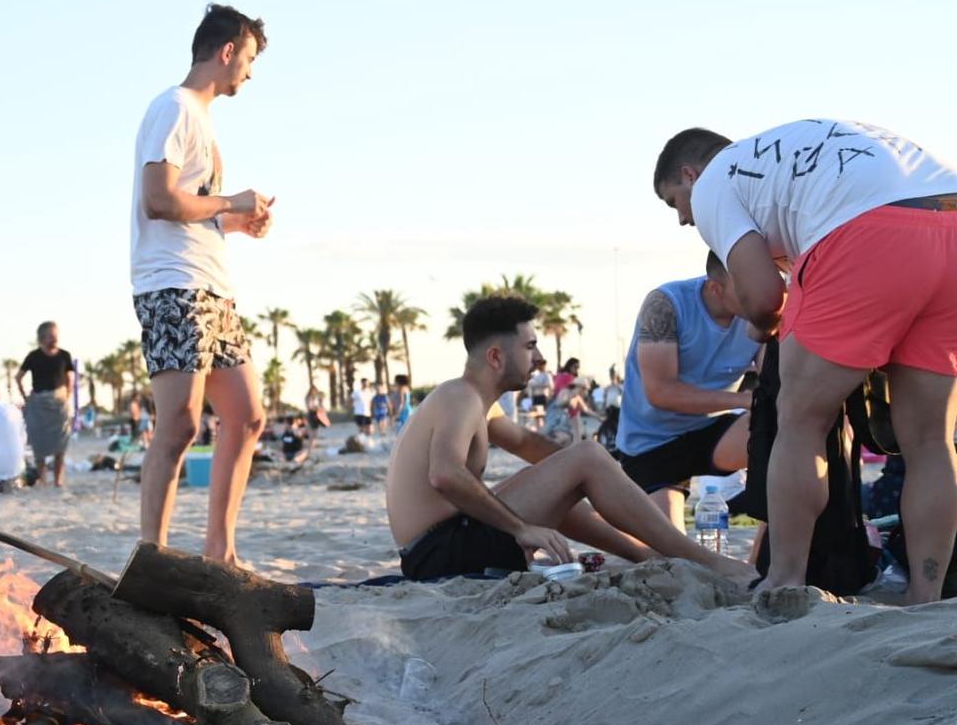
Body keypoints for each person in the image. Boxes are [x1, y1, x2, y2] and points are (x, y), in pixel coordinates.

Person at [655, 121, 957, 605]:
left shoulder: (715, 181)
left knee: (799, 421)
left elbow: (761, 297)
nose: (683, 220)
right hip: (950, 217)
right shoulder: (779, 158)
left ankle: (785, 580)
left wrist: (762, 327)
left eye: (674, 202)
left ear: (689, 175)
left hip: (867, 230)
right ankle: (927, 597)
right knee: (931, 441)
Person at [386, 295, 754, 585]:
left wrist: (607, 469)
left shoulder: (478, 404)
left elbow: (535, 449)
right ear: (496, 356)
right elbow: (444, 474)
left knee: (575, 471)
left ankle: (651, 555)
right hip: (440, 552)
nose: (541, 358)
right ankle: (705, 560)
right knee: (586, 458)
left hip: (440, 549)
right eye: (530, 346)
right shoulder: (461, 397)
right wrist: (521, 528)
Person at [132, 4, 275, 564]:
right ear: (227, 51)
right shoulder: (173, 107)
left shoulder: (200, 119)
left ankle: (221, 553)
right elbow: (159, 200)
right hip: (173, 285)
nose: (250, 73)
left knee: (247, 415)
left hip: (211, 285)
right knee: (181, 424)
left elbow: (190, 208)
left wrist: (237, 220)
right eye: (250, 59)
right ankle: (153, 557)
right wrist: (230, 199)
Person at [615, 254, 760, 528]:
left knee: (783, 431)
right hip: (651, 445)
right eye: (747, 289)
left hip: (711, 433)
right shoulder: (665, 304)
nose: (759, 296)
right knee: (673, 555)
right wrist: (744, 400)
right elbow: (661, 393)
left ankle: (762, 562)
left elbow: (779, 386)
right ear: (715, 288)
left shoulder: (762, 314)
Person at [17, 322, 78, 487]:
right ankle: (43, 480)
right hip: (38, 404)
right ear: (42, 337)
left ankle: (58, 481)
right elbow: (18, 377)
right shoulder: (33, 356)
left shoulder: (64, 355)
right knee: (39, 445)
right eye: (51, 335)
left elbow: (70, 377)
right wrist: (25, 397)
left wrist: (68, 395)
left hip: (59, 404)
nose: (55, 338)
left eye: (56, 334)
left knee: (61, 444)